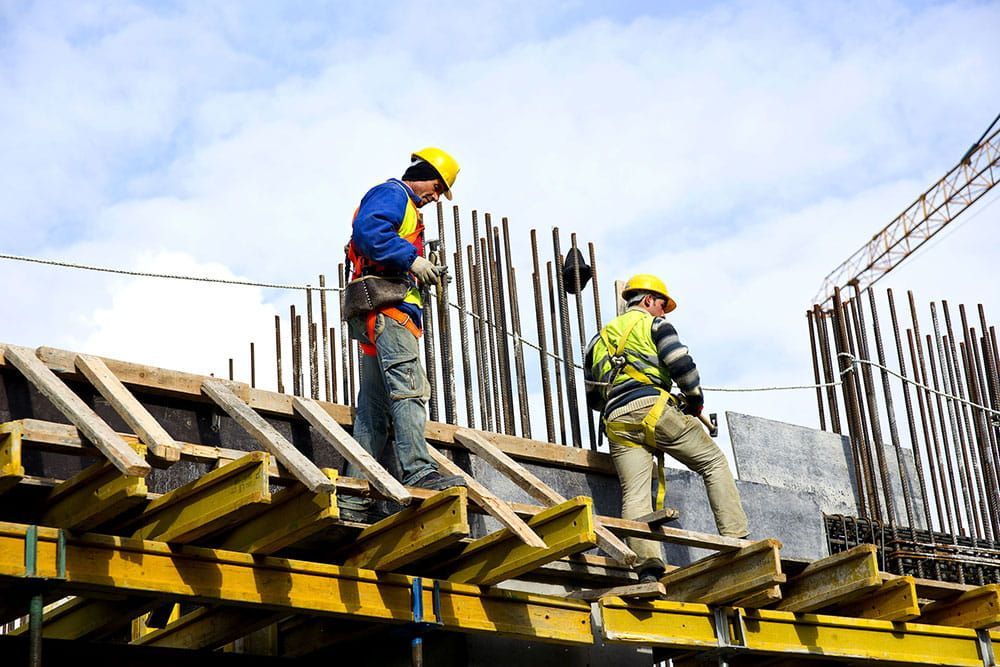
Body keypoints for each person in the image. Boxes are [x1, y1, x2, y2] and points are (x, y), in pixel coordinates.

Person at [584, 274, 749, 582]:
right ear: (647, 301)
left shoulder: (597, 341)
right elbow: (682, 366)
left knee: (634, 493)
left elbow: (594, 397)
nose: (663, 312)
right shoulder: (655, 325)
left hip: (617, 421)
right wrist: (694, 402)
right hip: (654, 410)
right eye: (661, 305)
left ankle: (647, 566)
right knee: (713, 462)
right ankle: (737, 539)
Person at [339, 147, 466, 523]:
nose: (436, 196)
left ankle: (353, 497)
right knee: (410, 390)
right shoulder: (394, 194)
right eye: (437, 187)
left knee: (373, 414)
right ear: (423, 173)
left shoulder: (405, 206)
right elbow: (369, 232)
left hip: (379, 314)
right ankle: (418, 470)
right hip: (390, 313)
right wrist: (412, 260)